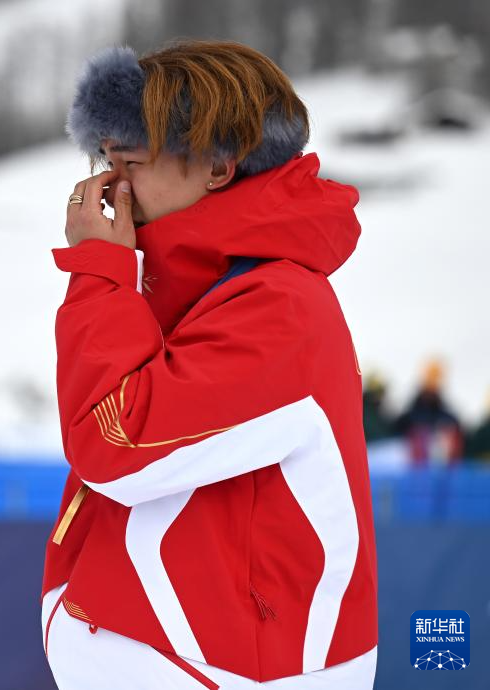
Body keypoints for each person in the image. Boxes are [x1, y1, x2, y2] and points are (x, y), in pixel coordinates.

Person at [41, 41, 377, 688]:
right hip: (181, 656)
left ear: (219, 168)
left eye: (132, 162)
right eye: (106, 161)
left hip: (229, 668)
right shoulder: (195, 286)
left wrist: (100, 273)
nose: (110, 188)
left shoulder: (278, 304)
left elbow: (117, 444)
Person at [394, 359, 464, 465]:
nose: (432, 384)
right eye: (430, 378)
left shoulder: (450, 420)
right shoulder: (406, 419)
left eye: (435, 379)